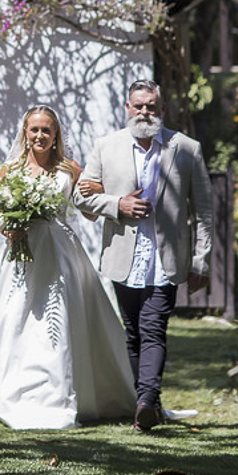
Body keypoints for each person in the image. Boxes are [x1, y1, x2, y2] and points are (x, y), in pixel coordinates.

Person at [0, 105, 136, 430]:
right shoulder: (8, 170)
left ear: (56, 134)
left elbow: (87, 211)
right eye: (34, 130)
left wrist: (101, 193)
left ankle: (63, 395)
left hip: (61, 253)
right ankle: (16, 392)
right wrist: (8, 227)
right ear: (25, 133)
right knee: (18, 318)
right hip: (23, 255)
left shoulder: (71, 169)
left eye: (46, 130)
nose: (39, 136)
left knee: (60, 319)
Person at [73, 80, 213, 431]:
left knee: (153, 329)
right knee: (133, 333)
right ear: (128, 108)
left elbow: (206, 210)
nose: (145, 112)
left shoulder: (187, 149)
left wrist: (201, 259)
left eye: (151, 106)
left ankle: (146, 403)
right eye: (139, 106)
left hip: (166, 259)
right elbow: (81, 196)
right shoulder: (106, 147)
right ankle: (148, 401)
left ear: (162, 109)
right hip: (123, 257)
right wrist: (117, 204)